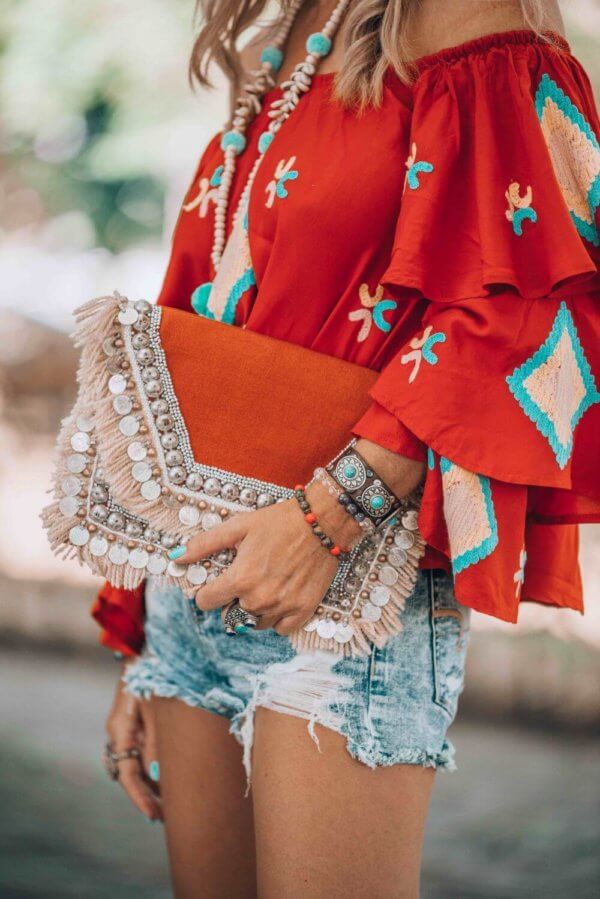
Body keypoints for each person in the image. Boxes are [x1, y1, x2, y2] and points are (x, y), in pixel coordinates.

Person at [95, 1, 599, 895]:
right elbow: (199, 316)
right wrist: (140, 625)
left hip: (350, 581)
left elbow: (528, 301)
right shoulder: (286, 27)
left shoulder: (459, 14)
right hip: (196, 578)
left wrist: (328, 518)